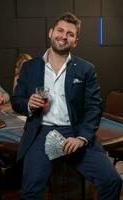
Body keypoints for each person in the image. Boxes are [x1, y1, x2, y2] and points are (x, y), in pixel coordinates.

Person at [11, 12, 122, 200]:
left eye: (70, 34)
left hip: (75, 131)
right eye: (60, 30)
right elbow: (16, 101)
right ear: (50, 32)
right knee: (30, 192)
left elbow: (94, 107)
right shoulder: (30, 67)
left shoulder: (86, 69)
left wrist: (82, 138)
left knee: (111, 180)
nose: (64, 36)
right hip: (41, 131)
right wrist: (28, 104)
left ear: (75, 41)